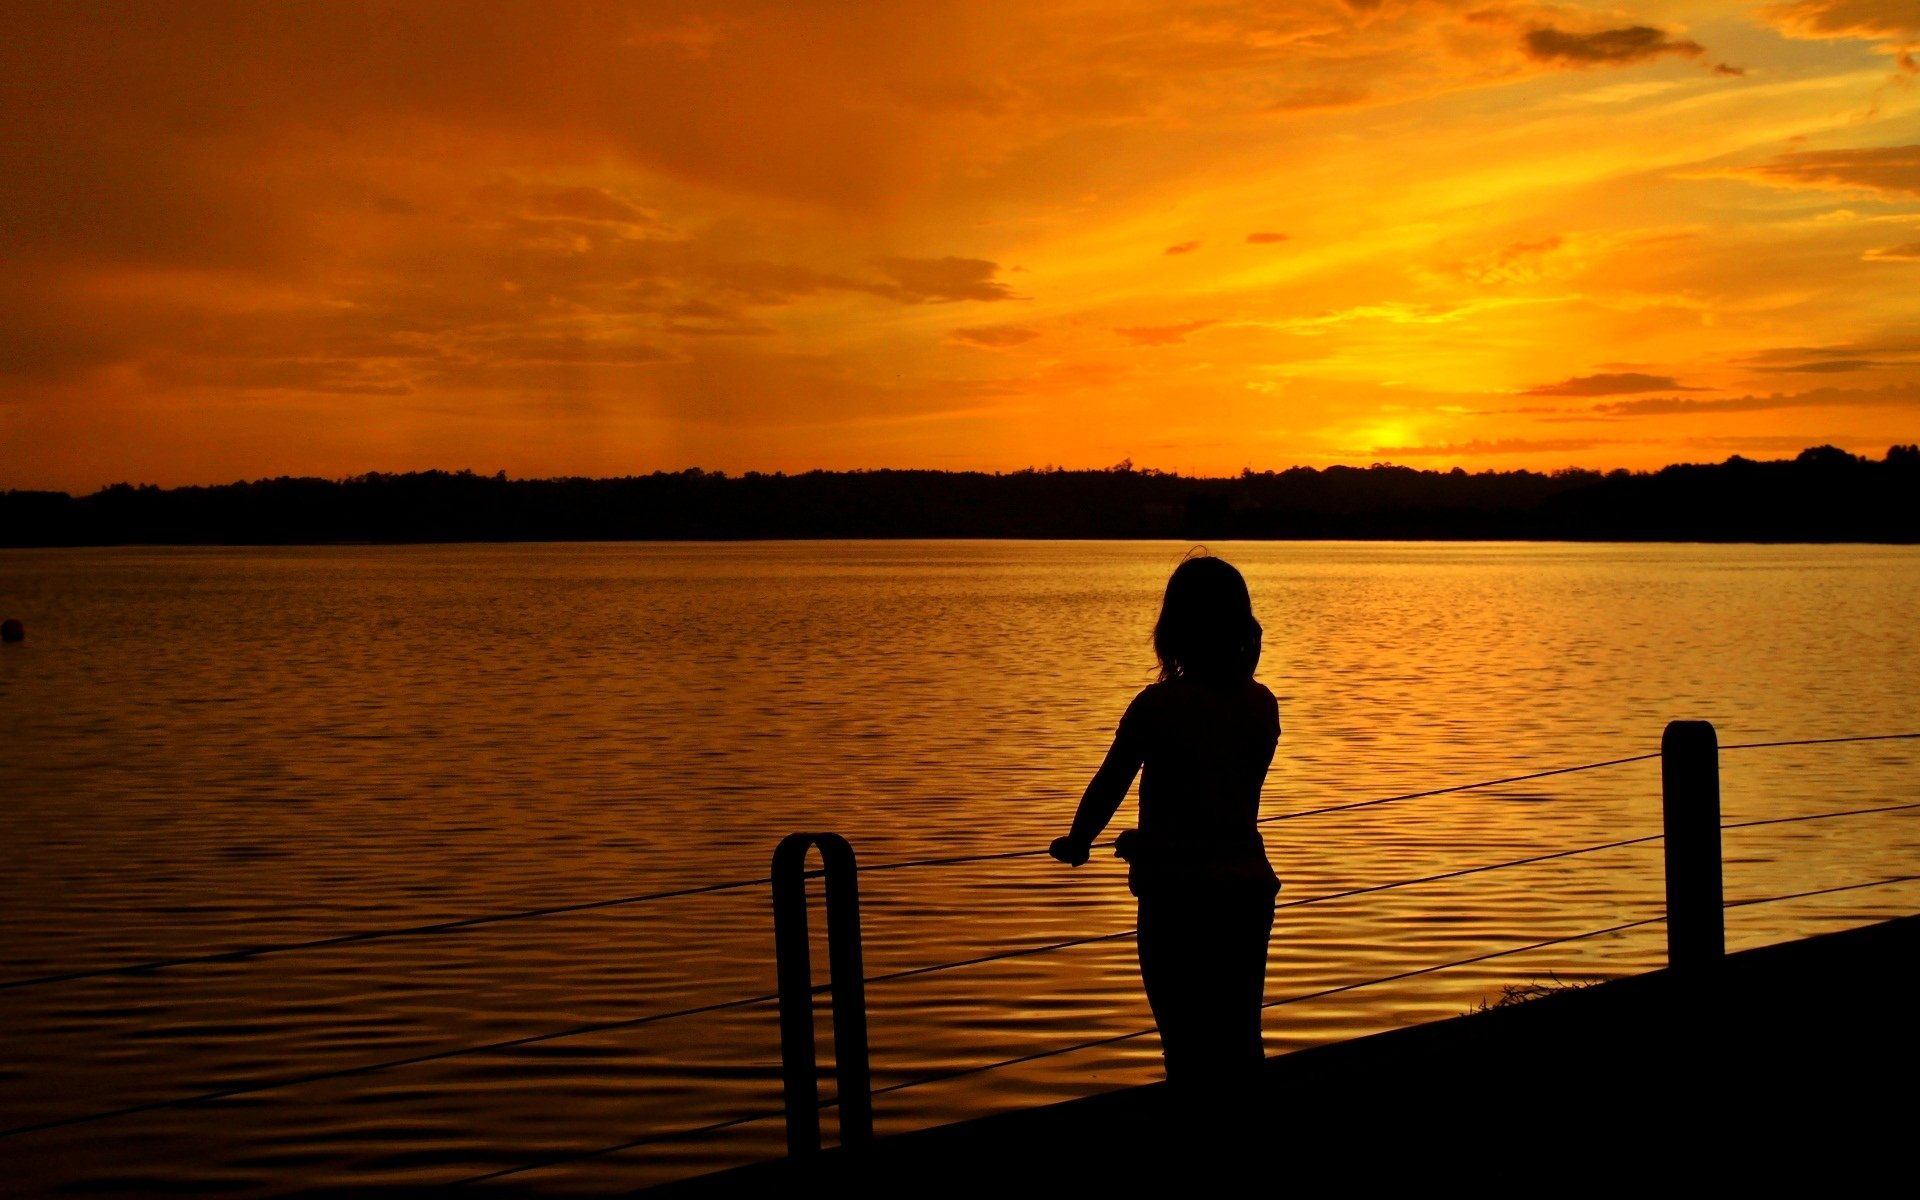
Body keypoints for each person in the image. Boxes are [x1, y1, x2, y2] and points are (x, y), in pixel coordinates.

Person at [1050, 551, 1280, 1097]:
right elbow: (1222, 801)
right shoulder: (1261, 704)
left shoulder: (1157, 707)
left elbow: (1111, 782)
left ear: (1173, 628)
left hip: (1180, 897)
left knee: (1185, 1043)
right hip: (1248, 888)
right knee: (1240, 1037)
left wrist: (1081, 840)